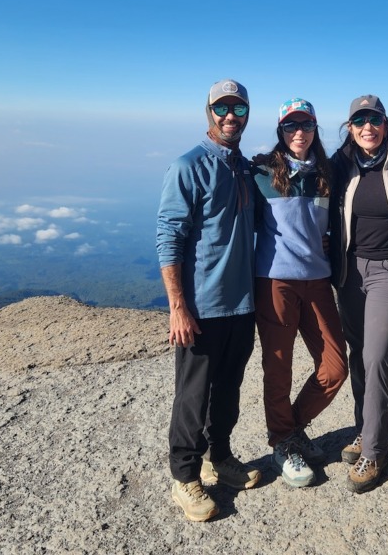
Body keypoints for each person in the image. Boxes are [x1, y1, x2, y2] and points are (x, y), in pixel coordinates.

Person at [156, 78, 262, 523]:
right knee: (193, 395)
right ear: (209, 113)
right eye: (222, 108)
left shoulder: (244, 168)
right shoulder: (188, 166)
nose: (230, 116)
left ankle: (219, 456)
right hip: (202, 308)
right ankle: (184, 476)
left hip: (242, 303)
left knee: (229, 389)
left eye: (238, 109)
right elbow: (169, 237)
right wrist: (178, 307)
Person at [252, 98, 348, 488]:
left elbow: (338, 219)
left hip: (317, 280)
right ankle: (283, 442)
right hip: (275, 281)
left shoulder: (326, 173)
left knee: (335, 367)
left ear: (314, 129)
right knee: (279, 368)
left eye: (306, 125)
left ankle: (289, 430)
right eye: (291, 126)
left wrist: (330, 239)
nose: (299, 133)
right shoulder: (261, 172)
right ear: (281, 131)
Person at [330, 95, 388, 493]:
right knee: (358, 352)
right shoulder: (342, 164)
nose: (368, 127)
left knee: (376, 354)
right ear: (350, 127)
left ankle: (376, 451)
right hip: (351, 272)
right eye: (360, 120)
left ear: (386, 123)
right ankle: (366, 429)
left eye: (375, 119)